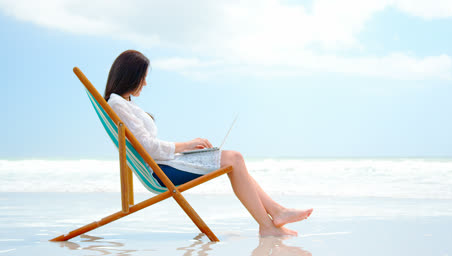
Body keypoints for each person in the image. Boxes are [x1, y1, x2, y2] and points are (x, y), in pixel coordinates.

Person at [104, 50, 313, 237]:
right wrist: (186, 145)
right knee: (234, 158)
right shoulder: (118, 104)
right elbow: (147, 147)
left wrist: (186, 149)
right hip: (160, 172)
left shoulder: (122, 103)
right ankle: (271, 220)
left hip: (164, 164)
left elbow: (145, 145)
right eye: (143, 78)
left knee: (234, 160)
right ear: (130, 76)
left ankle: (274, 216)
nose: (145, 84)